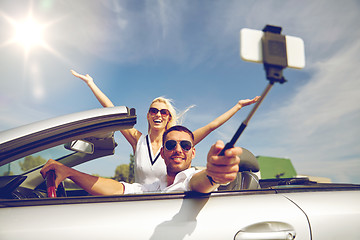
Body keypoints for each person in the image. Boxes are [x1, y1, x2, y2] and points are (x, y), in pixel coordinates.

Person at [71, 70, 258, 185]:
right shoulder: (138, 139)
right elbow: (112, 111)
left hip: (170, 201)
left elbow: (211, 126)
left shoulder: (177, 143)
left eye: (163, 112)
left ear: (168, 117)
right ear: (148, 115)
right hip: (142, 202)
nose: (158, 114)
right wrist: (91, 84)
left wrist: (238, 106)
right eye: (153, 110)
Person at [40, 125, 242, 194]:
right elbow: (119, 189)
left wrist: (215, 174)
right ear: (162, 152)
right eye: (171, 145)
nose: (178, 150)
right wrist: (70, 172)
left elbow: (201, 183)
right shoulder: (156, 186)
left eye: (185, 145)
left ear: (193, 152)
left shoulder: (192, 179)